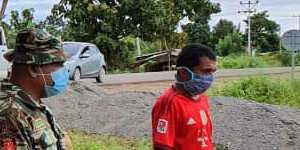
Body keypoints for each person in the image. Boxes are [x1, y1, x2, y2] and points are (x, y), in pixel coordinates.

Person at [0, 28, 72, 150]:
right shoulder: (9, 115)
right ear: (33, 69)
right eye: (58, 64)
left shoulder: (30, 104)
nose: (63, 70)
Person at [152, 44, 217, 150]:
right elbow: (162, 146)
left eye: (212, 72)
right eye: (206, 71)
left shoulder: (202, 98)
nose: (210, 78)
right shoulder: (169, 103)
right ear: (183, 72)